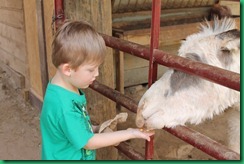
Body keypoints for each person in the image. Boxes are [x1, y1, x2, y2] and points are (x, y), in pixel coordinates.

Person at [40, 20, 154, 160]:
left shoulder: (62, 89)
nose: (97, 74)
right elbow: (88, 142)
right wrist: (130, 133)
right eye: (91, 69)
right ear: (68, 69)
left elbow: (71, 130)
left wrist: (97, 129)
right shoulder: (65, 107)